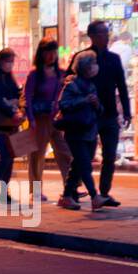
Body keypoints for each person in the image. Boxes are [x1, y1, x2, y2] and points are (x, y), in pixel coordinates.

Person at [86, 21, 130, 208]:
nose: (106, 36)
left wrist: (127, 110)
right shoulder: (85, 57)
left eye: (107, 32)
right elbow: (70, 82)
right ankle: (70, 190)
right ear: (93, 36)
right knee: (85, 154)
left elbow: (121, 84)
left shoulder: (113, 58)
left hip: (110, 112)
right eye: (102, 33)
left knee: (110, 154)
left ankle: (104, 192)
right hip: (89, 114)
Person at [23, 39, 73, 200]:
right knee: (37, 156)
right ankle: (35, 191)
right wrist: (30, 119)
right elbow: (27, 98)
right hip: (39, 119)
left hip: (58, 119)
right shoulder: (35, 75)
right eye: (48, 52)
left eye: (54, 52)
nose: (51, 56)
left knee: (65, 153)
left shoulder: (61, 73)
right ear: (41, 54)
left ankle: (70, 187)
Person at [56, 50, 104, 212]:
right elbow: (63, 104)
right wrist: (84, 100)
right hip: (75, 130)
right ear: (85, 67)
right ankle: (94, 196)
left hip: (90, 130)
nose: (95, 67)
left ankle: (67, 196)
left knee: (79, 164)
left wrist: (97, 105)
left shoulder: (91, 85)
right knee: (84, 165)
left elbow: (99, 110)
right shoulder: (71, 85)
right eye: (92, 64)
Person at [0, 48, 23, 204]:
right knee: (6, 155)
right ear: (0, 61)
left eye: (12, 61)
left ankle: (4, 190)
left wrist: (20, 107)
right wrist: (11, 109)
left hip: (10, 124)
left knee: (10, 157)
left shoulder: (11, 79)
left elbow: (18, 95)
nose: (10, 64)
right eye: (8, 61)